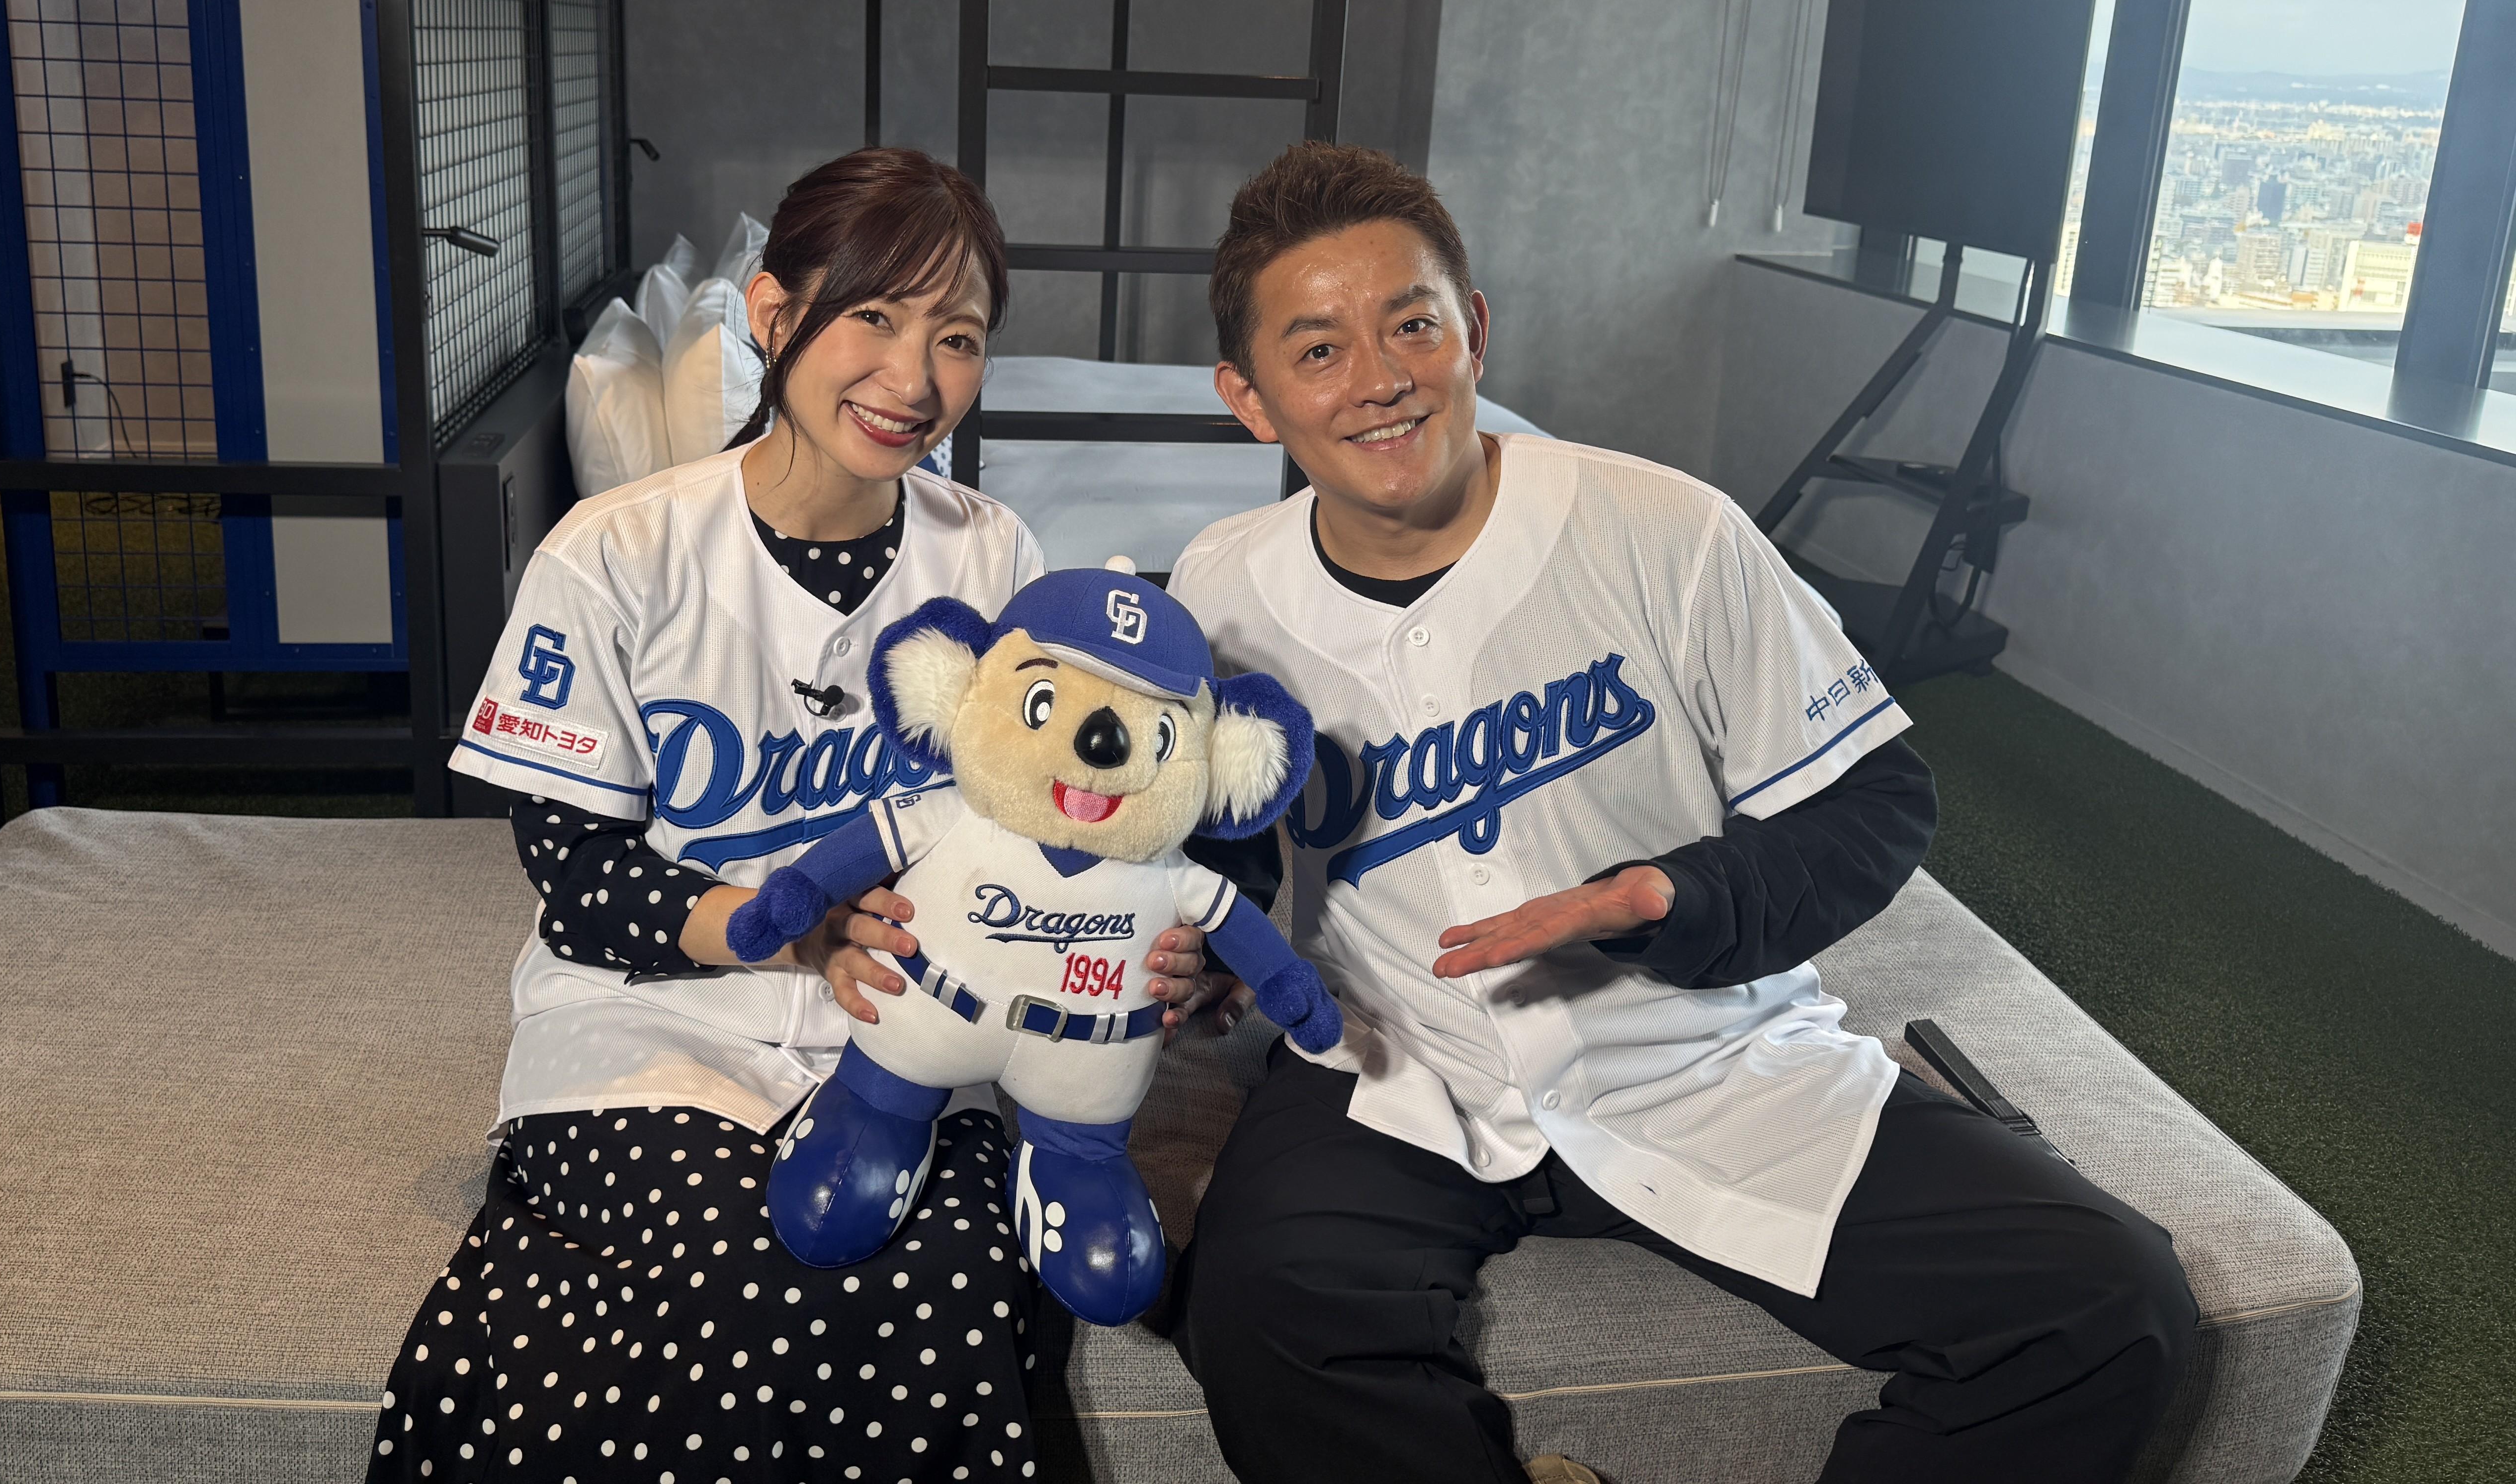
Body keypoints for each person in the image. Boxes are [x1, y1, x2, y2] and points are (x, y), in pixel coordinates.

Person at [1161, 143, 2196, 1484]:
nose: (1380, 378)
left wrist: (1678, 895)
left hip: (1701, 1052)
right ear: (1250, 399)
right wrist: (1206, 945)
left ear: (1475, 330)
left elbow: (1876, 801)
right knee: (1258, 1317)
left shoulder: (1667, 531)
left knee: (2109, 1305)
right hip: (1392, 1057)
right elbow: (1223, 837)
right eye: (1318, 350)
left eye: (1412, 324)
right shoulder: (1218, 586)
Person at [368, 146, 1219, 1484]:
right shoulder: (615, 551)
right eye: (873, 316)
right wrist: (799, 934)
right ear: (773, 314)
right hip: (659, 1024)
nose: (913, 377)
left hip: (921, 1033)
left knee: (943, 1289)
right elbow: (579, 881)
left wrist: (1150, 941)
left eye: (957, 337)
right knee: (730, 1275)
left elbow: (1069, 823)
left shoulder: (992, 554)